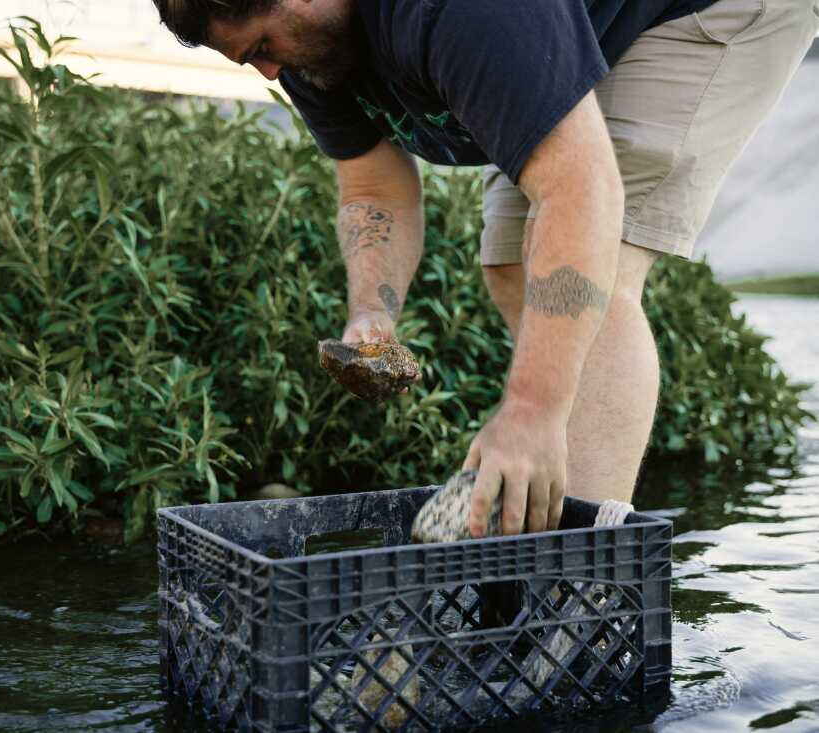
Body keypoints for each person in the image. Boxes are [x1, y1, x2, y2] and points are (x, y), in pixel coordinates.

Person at [150, 0, 819, 537]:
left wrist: (531, 410)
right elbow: (373, 189)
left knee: (601, 271)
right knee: (510, 265)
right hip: (588, 24)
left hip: (703, 9)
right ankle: (551, 523)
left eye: (263, 45)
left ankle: (585, 590)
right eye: (250, 60)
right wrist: (372, 315)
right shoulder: (311, 51)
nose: (268, 72)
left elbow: (581, 189)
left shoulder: (458, 11)